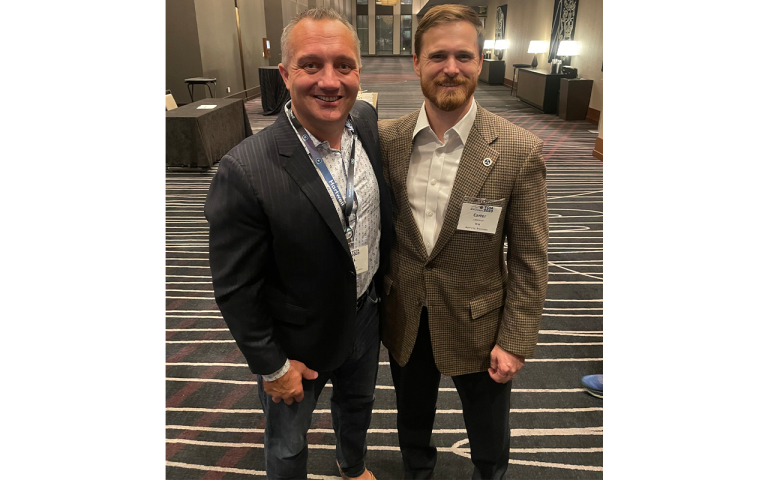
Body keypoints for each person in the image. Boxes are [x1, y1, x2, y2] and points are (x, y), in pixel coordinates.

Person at [205, 7, 393, 480]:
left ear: (358, 72)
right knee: (288, 444)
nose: (330, 82)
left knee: (359, 405)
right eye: (311, 65)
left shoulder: (365, 120)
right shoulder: (245, 170)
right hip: (296, 340)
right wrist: (270, 366)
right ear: (285, 75)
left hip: (365, 314)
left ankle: (351, 466)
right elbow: (234, 288)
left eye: (343, 65)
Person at [378, 5, 549, 480]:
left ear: (479, 62)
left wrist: (516, 340)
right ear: (416, 63)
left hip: (482, 325)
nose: (450, 68)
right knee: (411, 425)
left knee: (489, 436)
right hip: (406, 316)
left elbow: (532, 256)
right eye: (437, 56)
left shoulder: (518, 149)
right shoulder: (386, 140)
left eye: (463, 56)